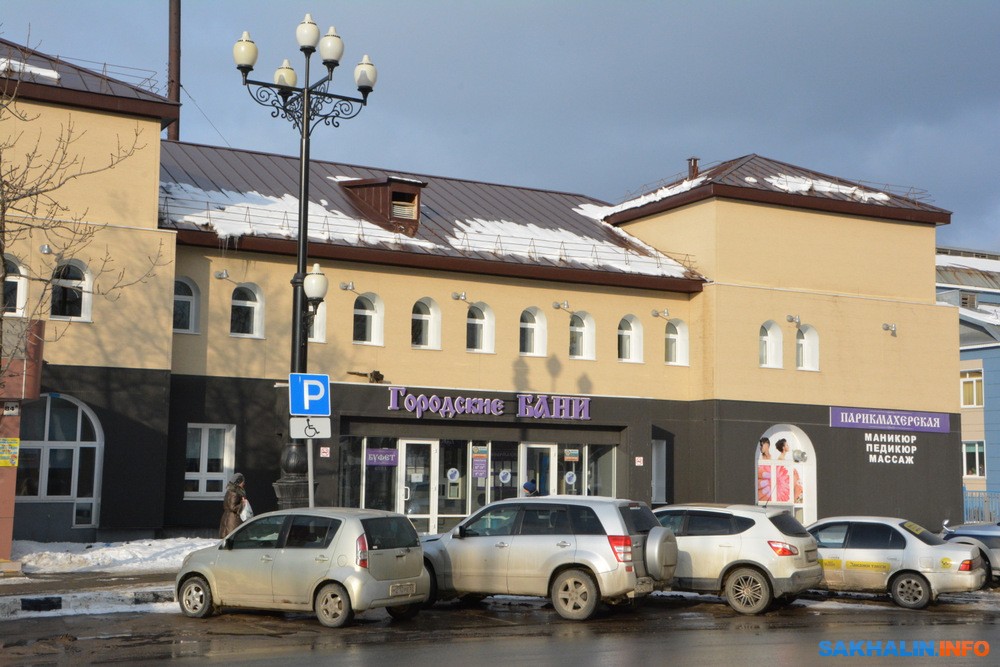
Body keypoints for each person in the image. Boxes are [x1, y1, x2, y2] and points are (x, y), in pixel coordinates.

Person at [219, 472, 248, 538]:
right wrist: (243, 504)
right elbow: (232, 507)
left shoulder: (231, 490)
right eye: (243, 482)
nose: (244, 483)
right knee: (234, 539)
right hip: (233, 521)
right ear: (238, 482)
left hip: (229, 519)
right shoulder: (234, 492)